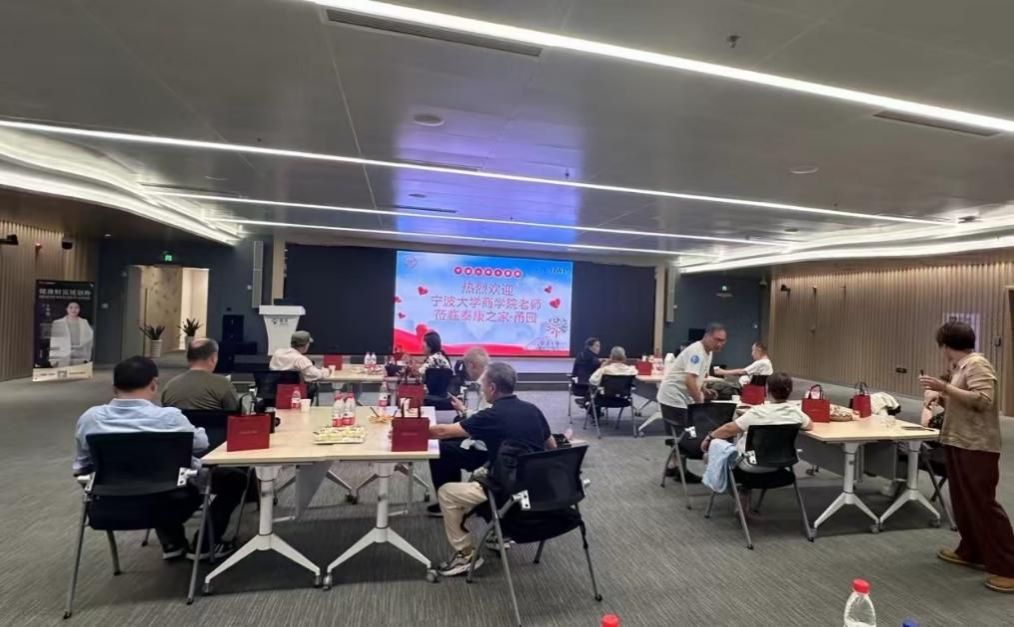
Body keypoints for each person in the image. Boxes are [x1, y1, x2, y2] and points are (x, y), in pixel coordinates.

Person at [72, 356, 245, 561]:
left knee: (154, 475)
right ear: (154, 384)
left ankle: (172, 543)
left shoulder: (90, 418)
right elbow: (201, 443)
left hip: (108, 505)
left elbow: (81, 467)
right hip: (170, 501)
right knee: (235, 479)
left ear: (114, 388)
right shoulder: (169, 418)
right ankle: (205, 544)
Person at [429, 362, 555, 576]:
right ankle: (498, 530)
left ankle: (466, 554)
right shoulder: (533, 410)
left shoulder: (492, 415)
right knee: (481, 472)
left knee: (447, 493)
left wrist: (407, 428)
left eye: (482, 386)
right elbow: (551, 446)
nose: (481, 390)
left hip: (506, 490)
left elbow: (443, 432)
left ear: (493, 388)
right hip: (538, 490)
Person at [920, 321, 1014, 593]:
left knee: (983, 505)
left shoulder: (977, 365)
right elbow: (965, 402)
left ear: (946, 345)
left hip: (977, 445)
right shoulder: (961, 367)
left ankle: (1009, 567)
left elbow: (983, 400)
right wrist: (941, 398)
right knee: (963, 503)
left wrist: (944, 388)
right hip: (959, 441)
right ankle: (972, 550)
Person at [701, 372, 812, 473]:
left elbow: (728, 429)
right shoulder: (796, 412)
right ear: (790, 391)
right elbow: (809, 425)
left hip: (751, 462)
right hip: (783, 462)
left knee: (714, 447)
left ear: (767, 390)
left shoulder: (757, 412)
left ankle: (729, 484)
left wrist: (710, 437)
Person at [657, 323, 728, 481]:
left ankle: (673, 467)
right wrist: (699, 403)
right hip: (673, 397)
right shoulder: (697, 351)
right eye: (717, 339)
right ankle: (681, 472)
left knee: (679, 433)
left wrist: (703, 390)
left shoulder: (708, 352)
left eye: (723, 341)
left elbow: (696, 378)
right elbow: (689, 380)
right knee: (685, 434)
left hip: (679, 397)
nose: (720, 344)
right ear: (707, 336)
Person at [161, 338, 239, 411]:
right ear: (213, 358)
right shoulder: (223, 384)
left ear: (188, 358)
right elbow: (234, 411)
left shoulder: (170, 386)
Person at [449, 346, 491, 417]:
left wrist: (462, 408)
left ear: (471, 366)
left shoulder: (483, 386)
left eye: (466, 367)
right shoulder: (491, 380)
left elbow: (481, 417)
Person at [49, 301, 94, 367]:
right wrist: (54, 357)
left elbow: (90, 338)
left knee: (78, 372)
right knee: (63, 371)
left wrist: (86, 354)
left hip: (79, 354)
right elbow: (54, 341)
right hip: (63, 354)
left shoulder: (84, 322)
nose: (74, 310)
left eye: (76, 307)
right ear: (66, 309)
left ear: (79, 309)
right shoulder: (58, 322)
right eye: (71, 307)